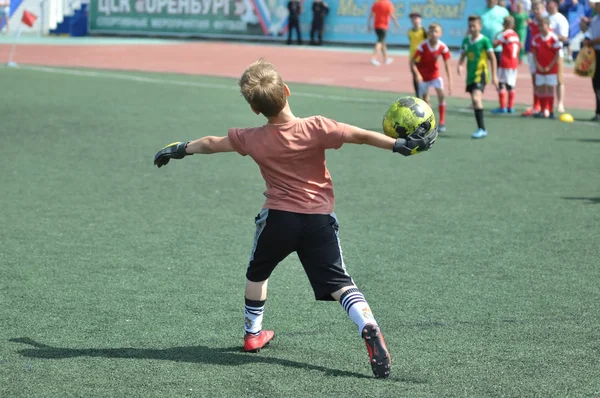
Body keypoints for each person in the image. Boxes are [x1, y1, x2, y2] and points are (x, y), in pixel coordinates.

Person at [152, 59, 437, 378]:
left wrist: (179, 149)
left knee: (257, 274)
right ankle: (367, 325)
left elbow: (211, 144)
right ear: (286, 92)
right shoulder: (316, 126)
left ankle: (253, 334)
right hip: (318, 220)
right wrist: (399, 145)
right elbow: (360, 136)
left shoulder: (250, 137)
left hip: (278, 220)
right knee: (340, 283)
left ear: (255, 110)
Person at [458, 15, 499, 139]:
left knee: (476, 99)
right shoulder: (466, 41)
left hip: (481, 74)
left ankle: (482, 129)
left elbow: (492, 58)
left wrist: (495, 76)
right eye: (470, 26)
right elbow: (463, 55)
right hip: (470, 76)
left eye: (474, 26)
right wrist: (460, 65)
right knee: (475, 102)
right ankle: (481, 128)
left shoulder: (485, 40)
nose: (472, 28)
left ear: (480, 27)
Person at [411, 23, 452, 133]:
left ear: (440, 34)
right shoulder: (423, 46)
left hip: (435, 75)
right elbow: (413, 62)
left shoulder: (443, 47)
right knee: (425, 101)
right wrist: (418, 74)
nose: (434, 34)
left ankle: (442, 122)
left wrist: (450, 82)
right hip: (423, 77)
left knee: (441, 95)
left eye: (436, 32)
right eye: (431, 32)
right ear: (428, 33)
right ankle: (427, 123)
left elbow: (447, 65)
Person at [531, 16, 563, 118]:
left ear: (548, 26)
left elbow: (557, 54)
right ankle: (542, 109)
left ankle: (551, 110)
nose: (541, 28)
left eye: (543, 25)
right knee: (540, 88)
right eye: (539, 25)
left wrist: (549, 66)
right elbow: (534, 54)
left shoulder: (554, 38)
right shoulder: (536, 38)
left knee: (550, 89)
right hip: (540, 69)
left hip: (551, 70)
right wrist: (538, 65)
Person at [522, 0, 548, 116]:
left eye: (538, 9)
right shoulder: (531, 23)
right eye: (534, 9)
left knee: (544, 81)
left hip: (542, 54)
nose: (536, 11)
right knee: (535, 80)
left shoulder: (545, 24)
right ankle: (536, 105)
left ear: (543, 9)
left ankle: (546, 105)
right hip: (532, 54)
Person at [492, 15, 521, 113]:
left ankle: (503, 107)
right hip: (514, 62)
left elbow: (495, 44)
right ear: (512, 25)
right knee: (511, 84)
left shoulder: (504, 34)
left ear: (504, 25)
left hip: (505, 62)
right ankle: (511, 107)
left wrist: (496, 36)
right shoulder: (516, 35)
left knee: (502, 83)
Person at [547, 0, 570, 113]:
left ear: (555, 4)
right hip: (544, 53)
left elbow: (564, 37)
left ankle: (560, 103)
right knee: (545, 79)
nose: (546, 5)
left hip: (556, 53)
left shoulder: (560, 18)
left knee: (559, 79)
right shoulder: (545, 17)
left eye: (549, 2)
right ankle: (545, 104)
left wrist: (551, 36)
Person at [582, 0, 600, 121]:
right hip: (596, 52)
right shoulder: (595, 19)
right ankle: (598, 112)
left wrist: (591, 42)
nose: (594, 6)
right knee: (596, 83)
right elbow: (590, 33)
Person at [367, 0, 399, 66]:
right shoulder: (388, 4)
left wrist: (369, 25)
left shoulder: (376, 4)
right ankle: (373, 58)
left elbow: (371, 15)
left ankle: (386, 59)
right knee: (380, 41)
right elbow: (391, 14)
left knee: (382, 42)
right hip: (383, 26)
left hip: (376, 26)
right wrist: (396, 23)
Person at [408, 12, 428, 96]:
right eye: (412, 18)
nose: (414, 20)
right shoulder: (410, 32)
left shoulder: (424, 31)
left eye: (416, 18)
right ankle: (417, 96)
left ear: (420, 19)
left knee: (424, 78)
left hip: (422, 59)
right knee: (415, 78)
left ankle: (425, 96)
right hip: (413, 58)